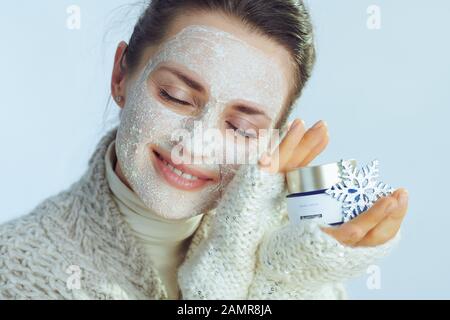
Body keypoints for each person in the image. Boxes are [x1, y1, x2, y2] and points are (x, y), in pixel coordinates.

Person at [0, 0, 408, 299]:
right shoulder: (13, 267)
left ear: (272, 138)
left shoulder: (297, 249)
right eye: (175, 96)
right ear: (120, 76)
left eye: (241, 127)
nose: (196, 144)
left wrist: (284, 282)